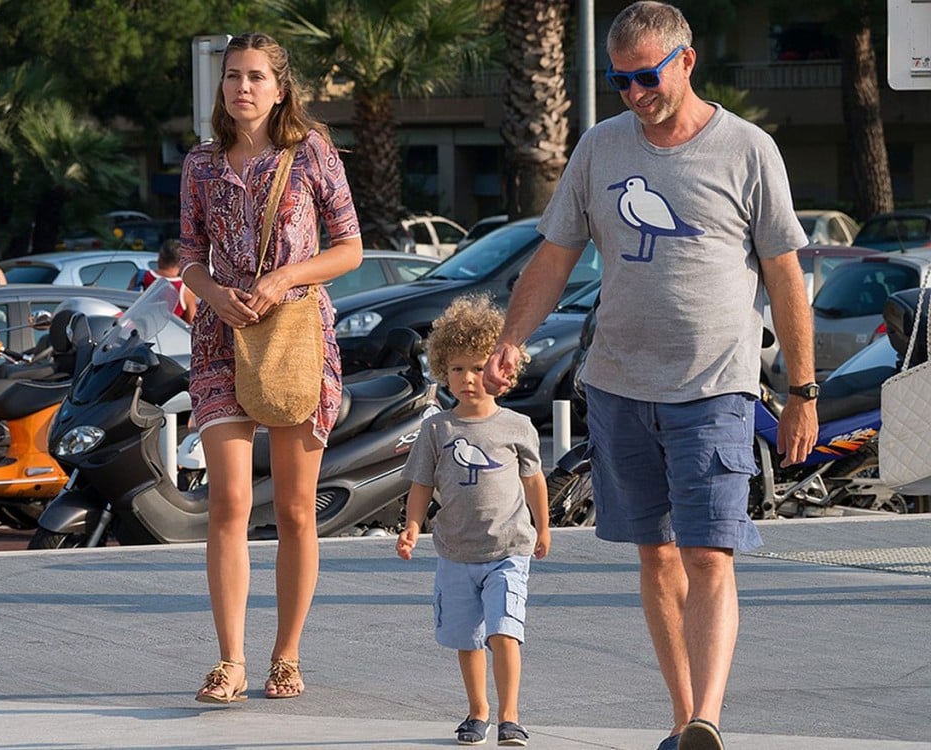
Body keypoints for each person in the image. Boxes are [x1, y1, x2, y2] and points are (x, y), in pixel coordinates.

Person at [483, 4, 817, 750]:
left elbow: (786, 278)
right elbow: (556, 256)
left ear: (686, 62)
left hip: (716, 386)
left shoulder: (749, 150)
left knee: (707, 551)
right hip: (619, 386)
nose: (633, 93)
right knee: (657, 554)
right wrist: (512, 339)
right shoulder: (600, 149)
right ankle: (681, 719)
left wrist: (802, 391)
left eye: (645, 77)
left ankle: (709, 717)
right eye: (619, 80)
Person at [179, 32, 361, 705]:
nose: (242, 88)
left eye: (256, 77)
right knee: (227, 500)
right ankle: (230, 661)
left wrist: (286, 276)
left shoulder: (311, 150)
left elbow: (350, 248)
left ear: (280, 86)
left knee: (292, 509)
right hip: (219, 339)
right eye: (232, 77)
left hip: (295, 338)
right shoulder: (200, 164)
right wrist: (211, 291)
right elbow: (189, 251)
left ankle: (286, 653)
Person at [396, 294, 551, 748]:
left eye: (479, 367)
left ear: (502, 370)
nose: (468, 379)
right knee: (467, 638)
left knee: (504, 629)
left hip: (509, 549)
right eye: (458, 368)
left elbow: (534, 480)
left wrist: (543, 527)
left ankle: (510, 716)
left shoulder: (517, 426)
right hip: (455, 552)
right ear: (443, 368)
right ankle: (477, 711)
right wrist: (411, 526)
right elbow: (421, 484)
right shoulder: (437, 429)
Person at [129, 239, 196, 323]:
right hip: (168, 335)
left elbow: (127, 305)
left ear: (160, 256)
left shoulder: (141, 276)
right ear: (181, 262)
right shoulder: (185, 290)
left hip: (138, 332)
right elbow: (190, 323)